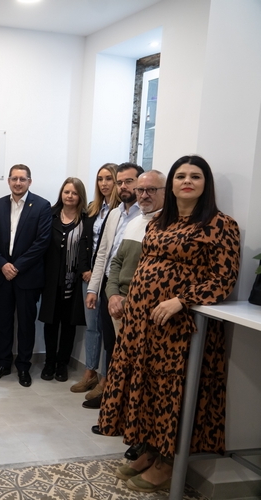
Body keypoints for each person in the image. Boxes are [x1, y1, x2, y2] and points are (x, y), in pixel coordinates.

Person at [98, 156, 240, 493]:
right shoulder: (161, 221)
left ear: (206, 184)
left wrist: (182, 300)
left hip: (179, 327)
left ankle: (167, 462)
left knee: (170, 393)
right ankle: (149, 450)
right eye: (181, 176)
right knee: (147, 388)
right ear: (172, 184)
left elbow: (224, 279)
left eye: (195, 176)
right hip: (143, 323)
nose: (187, 181)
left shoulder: (221, 224)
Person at [83, 162, 143, 408]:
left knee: (126, 346)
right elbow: (103, 253)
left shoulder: (147, 215)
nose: (123, 186)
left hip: (131, 289)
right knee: (110, 343)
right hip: (109, 284)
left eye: (129, 181)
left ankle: (118, 396)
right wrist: (93, 288)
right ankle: (109, 393)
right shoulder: (116, 213)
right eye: (121, 182)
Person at [0, 164, 52, 387]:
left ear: (29, 182)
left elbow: (42, 242)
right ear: (8, 181)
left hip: (27, 277)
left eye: (22, 179)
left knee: (26, 324)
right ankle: (3, 364)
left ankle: (23, 366)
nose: (18, 183)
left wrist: (16, 266)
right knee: (3, 323)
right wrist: (3, 265)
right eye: (14, 179)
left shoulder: (42, 206)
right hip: (2, 276)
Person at [71, 163, 119, 394]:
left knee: (109, 330)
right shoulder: (93, 208)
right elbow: (84, 241)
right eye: (100, 179)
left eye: (109, 178)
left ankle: (106, 378)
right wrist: (85, 269)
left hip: (110, 276)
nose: (104, 183)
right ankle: (89, 372)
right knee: (92, 327)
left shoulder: (121, 210)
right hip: (90, 275)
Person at [37, 178, 88, 383]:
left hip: (73, 282)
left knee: (69, 325)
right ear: (61, 194)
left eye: (74, 193)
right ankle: (49, 362)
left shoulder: (86, 219)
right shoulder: (50, 215)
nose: (70, 196)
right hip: (51, 279)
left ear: (80, 196)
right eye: (66, 192)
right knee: (50, 323)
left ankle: (62, 364)